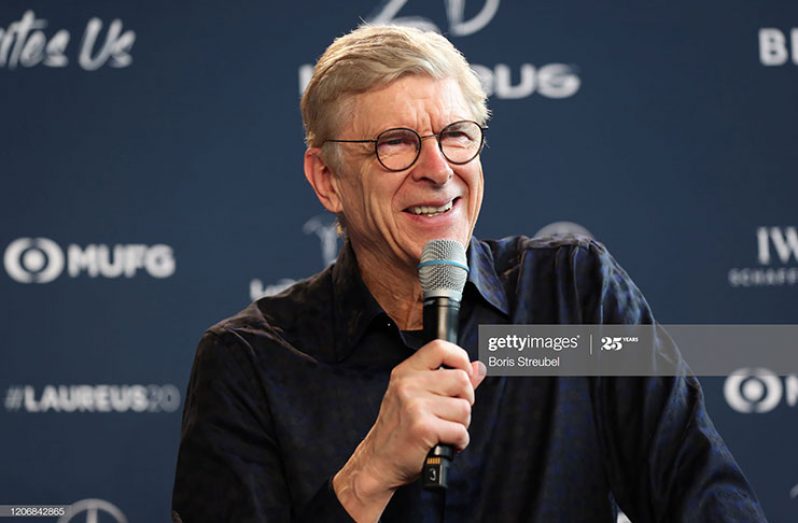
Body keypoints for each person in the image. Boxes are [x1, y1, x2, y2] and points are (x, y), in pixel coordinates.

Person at [172, 25, 766, 522]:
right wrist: (368, 476)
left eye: (457, 136)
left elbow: (705, 493)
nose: (438, 169)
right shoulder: (249, 362)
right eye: (395, 144)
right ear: (327, 179)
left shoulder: (574, 294)